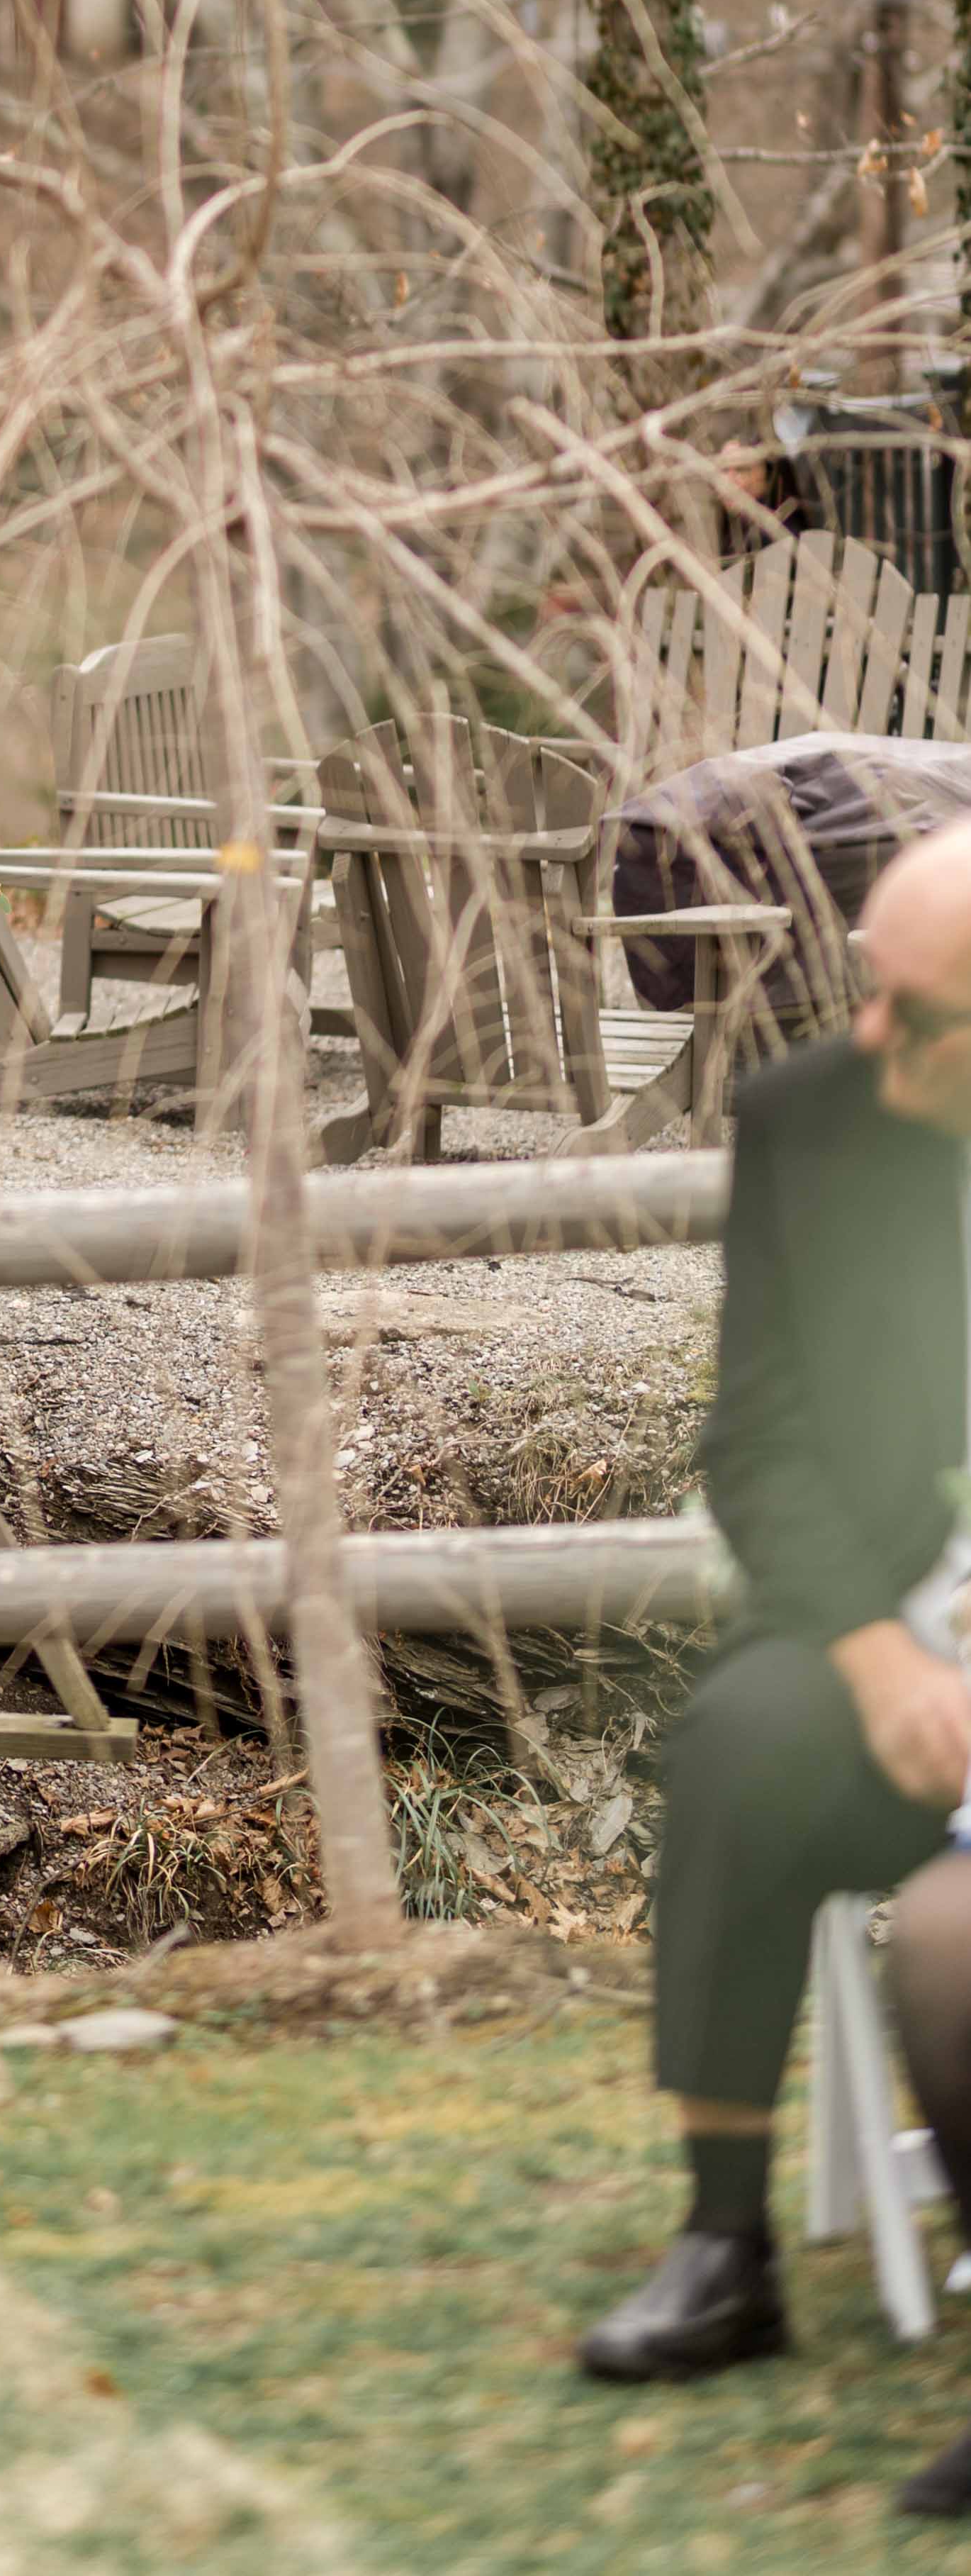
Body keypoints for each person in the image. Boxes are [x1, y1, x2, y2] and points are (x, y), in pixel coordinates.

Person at [578, 810, 971, 2514]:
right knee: (739, 1736)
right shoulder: (807, 1122)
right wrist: (879, 1657)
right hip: (891, 1611)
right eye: (867, 991)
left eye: (920, 1013)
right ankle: (722, 2239)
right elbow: (758, 1441)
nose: (869, 1037)